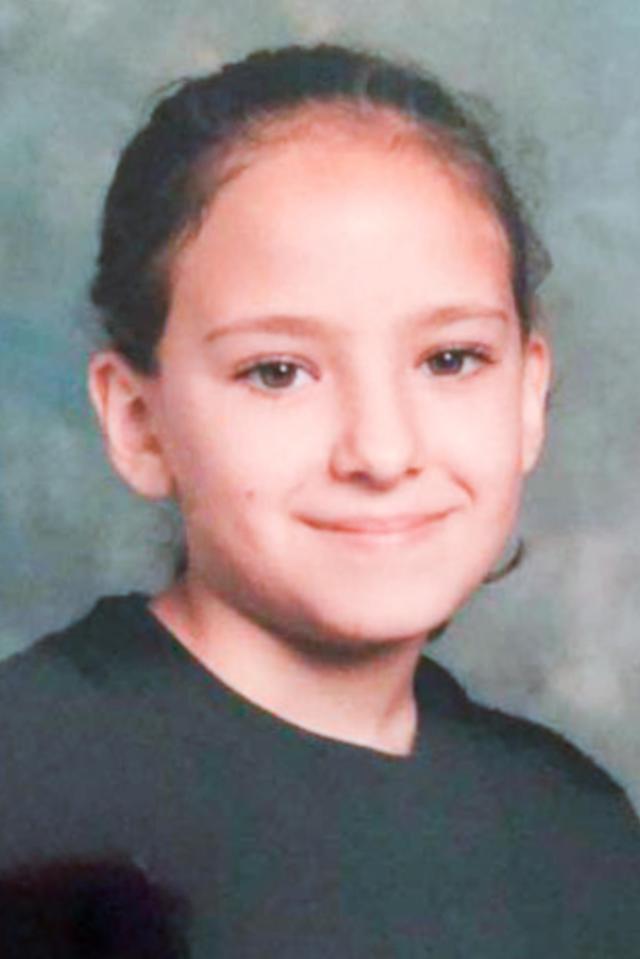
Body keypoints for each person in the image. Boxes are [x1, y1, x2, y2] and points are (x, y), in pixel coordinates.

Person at [1, 44, 638, 958]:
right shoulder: (27, 789)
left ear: (529, 397)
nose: (381, 449)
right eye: (278, 372)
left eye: (450, 359)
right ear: (140, 424)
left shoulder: (577, 831)